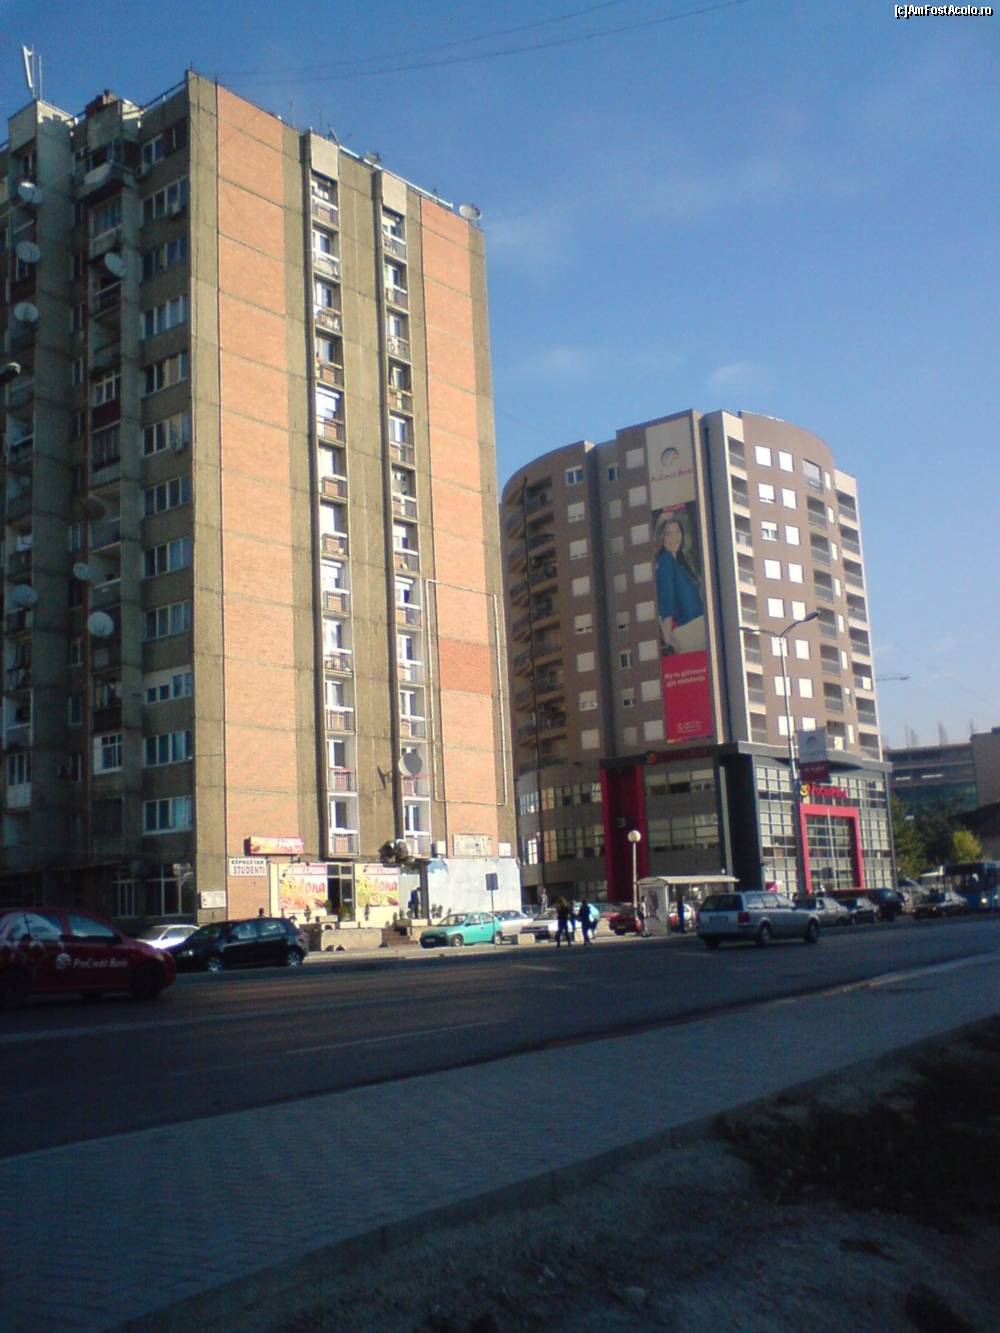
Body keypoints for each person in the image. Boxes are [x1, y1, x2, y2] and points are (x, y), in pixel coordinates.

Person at [654, 511, 705, 655]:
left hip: (696, 627)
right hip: (689, 631)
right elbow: (666, 599)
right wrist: (668, 637)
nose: (674, 538)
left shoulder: (681, 560)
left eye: (677, 532)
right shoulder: (665, 562)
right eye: (668, 534)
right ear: (661, 537)